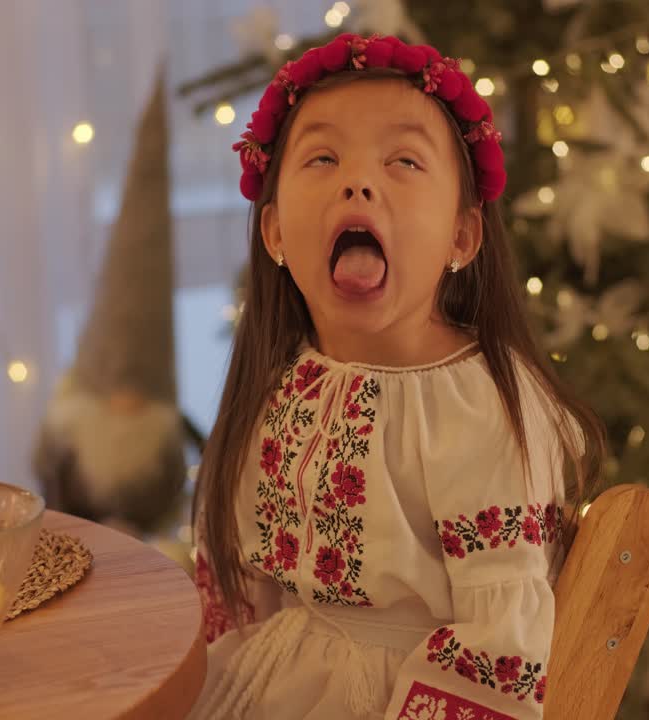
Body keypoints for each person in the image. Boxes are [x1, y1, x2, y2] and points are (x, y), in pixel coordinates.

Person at [188, 33, 606, 720]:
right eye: (322, 157)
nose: (358, 182)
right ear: (275, 236)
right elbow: (241, 575)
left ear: (462, 237)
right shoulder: (280, 382)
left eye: (404, 160)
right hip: (270, 680)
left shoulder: (481, 405)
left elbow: (502, 632)